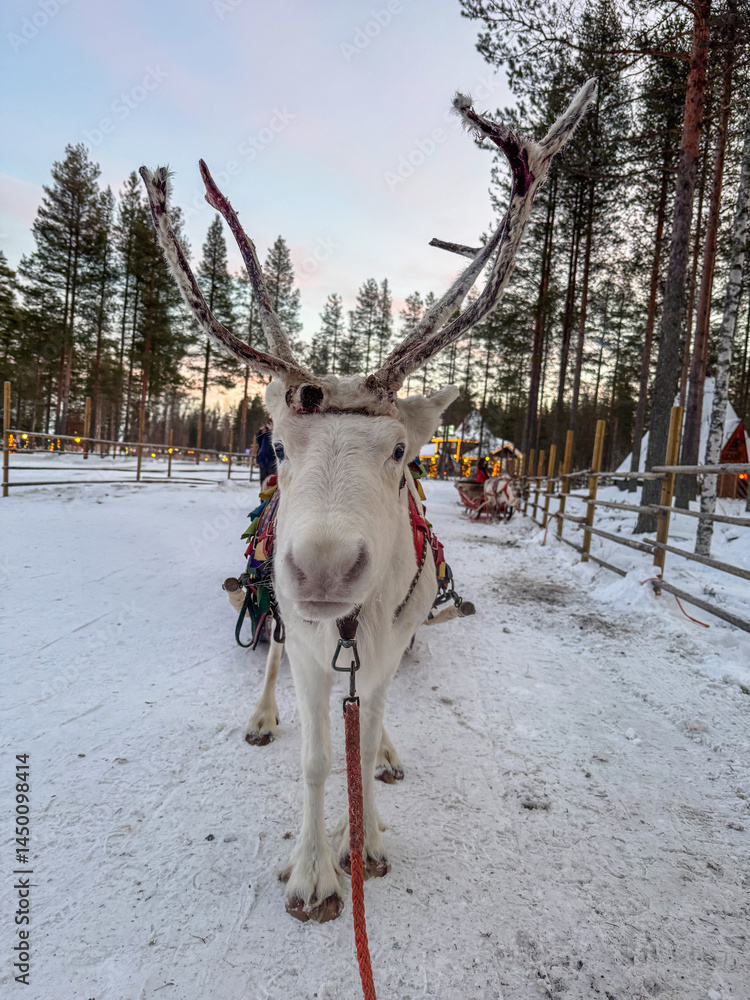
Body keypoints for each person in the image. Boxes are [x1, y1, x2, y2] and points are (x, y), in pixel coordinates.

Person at [255, 418, 276, 488]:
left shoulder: (275, 434)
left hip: (272, 462)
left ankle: (270, 497)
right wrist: (260, 432)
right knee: (263, 481)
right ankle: (263, 498)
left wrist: (272, 431)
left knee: (271, 481)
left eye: (270, 424)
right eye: (268, 423)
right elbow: (258, 441)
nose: (269, 425)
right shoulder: (264, 434)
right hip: (263, 461)